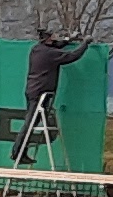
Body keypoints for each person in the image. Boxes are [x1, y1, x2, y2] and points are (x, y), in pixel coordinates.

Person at [9, 27, 91, 166]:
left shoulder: (37, 49)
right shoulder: (49, 54)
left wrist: (69, 39)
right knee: (30, 123)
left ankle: (20, 152)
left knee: (31, 122)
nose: (55, 37)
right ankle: (17, 152)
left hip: (34, 90)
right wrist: (85, 44)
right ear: (48, 38)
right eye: (53, 36)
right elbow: (72, 56)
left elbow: (56, 46)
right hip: (40, 93)